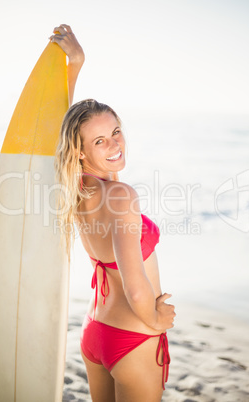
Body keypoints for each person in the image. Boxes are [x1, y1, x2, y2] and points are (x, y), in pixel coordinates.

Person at [51, 24, 176, 402]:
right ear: (81, 150)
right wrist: (157, 321)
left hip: (95, 332)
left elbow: (61, 132)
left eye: (117, 131)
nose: (115, 145)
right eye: (100, 141)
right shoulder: (120, 195)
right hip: (132, 334)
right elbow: (136, 285)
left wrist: (75, 64)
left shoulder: (74, 189)